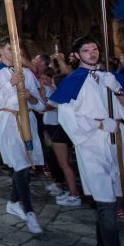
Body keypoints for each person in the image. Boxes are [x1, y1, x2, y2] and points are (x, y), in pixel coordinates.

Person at [51, 36, 124, 246]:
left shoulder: (111, 78)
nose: (92, 53)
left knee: (111, 199)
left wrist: (117, 89)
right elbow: (68, 119)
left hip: (117, 143)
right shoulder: (71, 82)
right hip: (92, 146)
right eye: (86, 50)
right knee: (106, 202)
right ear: (76, 55)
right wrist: (99, 124)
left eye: (95, 49)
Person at [0, 37, 45, 234]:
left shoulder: (27, 72)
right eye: (11, 48)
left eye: (18, 48)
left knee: (24, 167)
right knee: (20, 165)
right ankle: (29, 213)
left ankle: (13, 202)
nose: (15, 51)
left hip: (28, 120)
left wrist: (31, 96)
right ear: (1, 50)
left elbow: (41, 105)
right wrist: (11, 83)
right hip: (9, 122)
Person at [40, 68, 80, 206]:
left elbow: (44, 107)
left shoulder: (60, 94)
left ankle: (74, 195)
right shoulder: (72, 93)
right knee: (67, 162)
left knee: (64, 164)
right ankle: (72, 191)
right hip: (67, 130)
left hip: (61, 131)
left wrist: (42, 93)